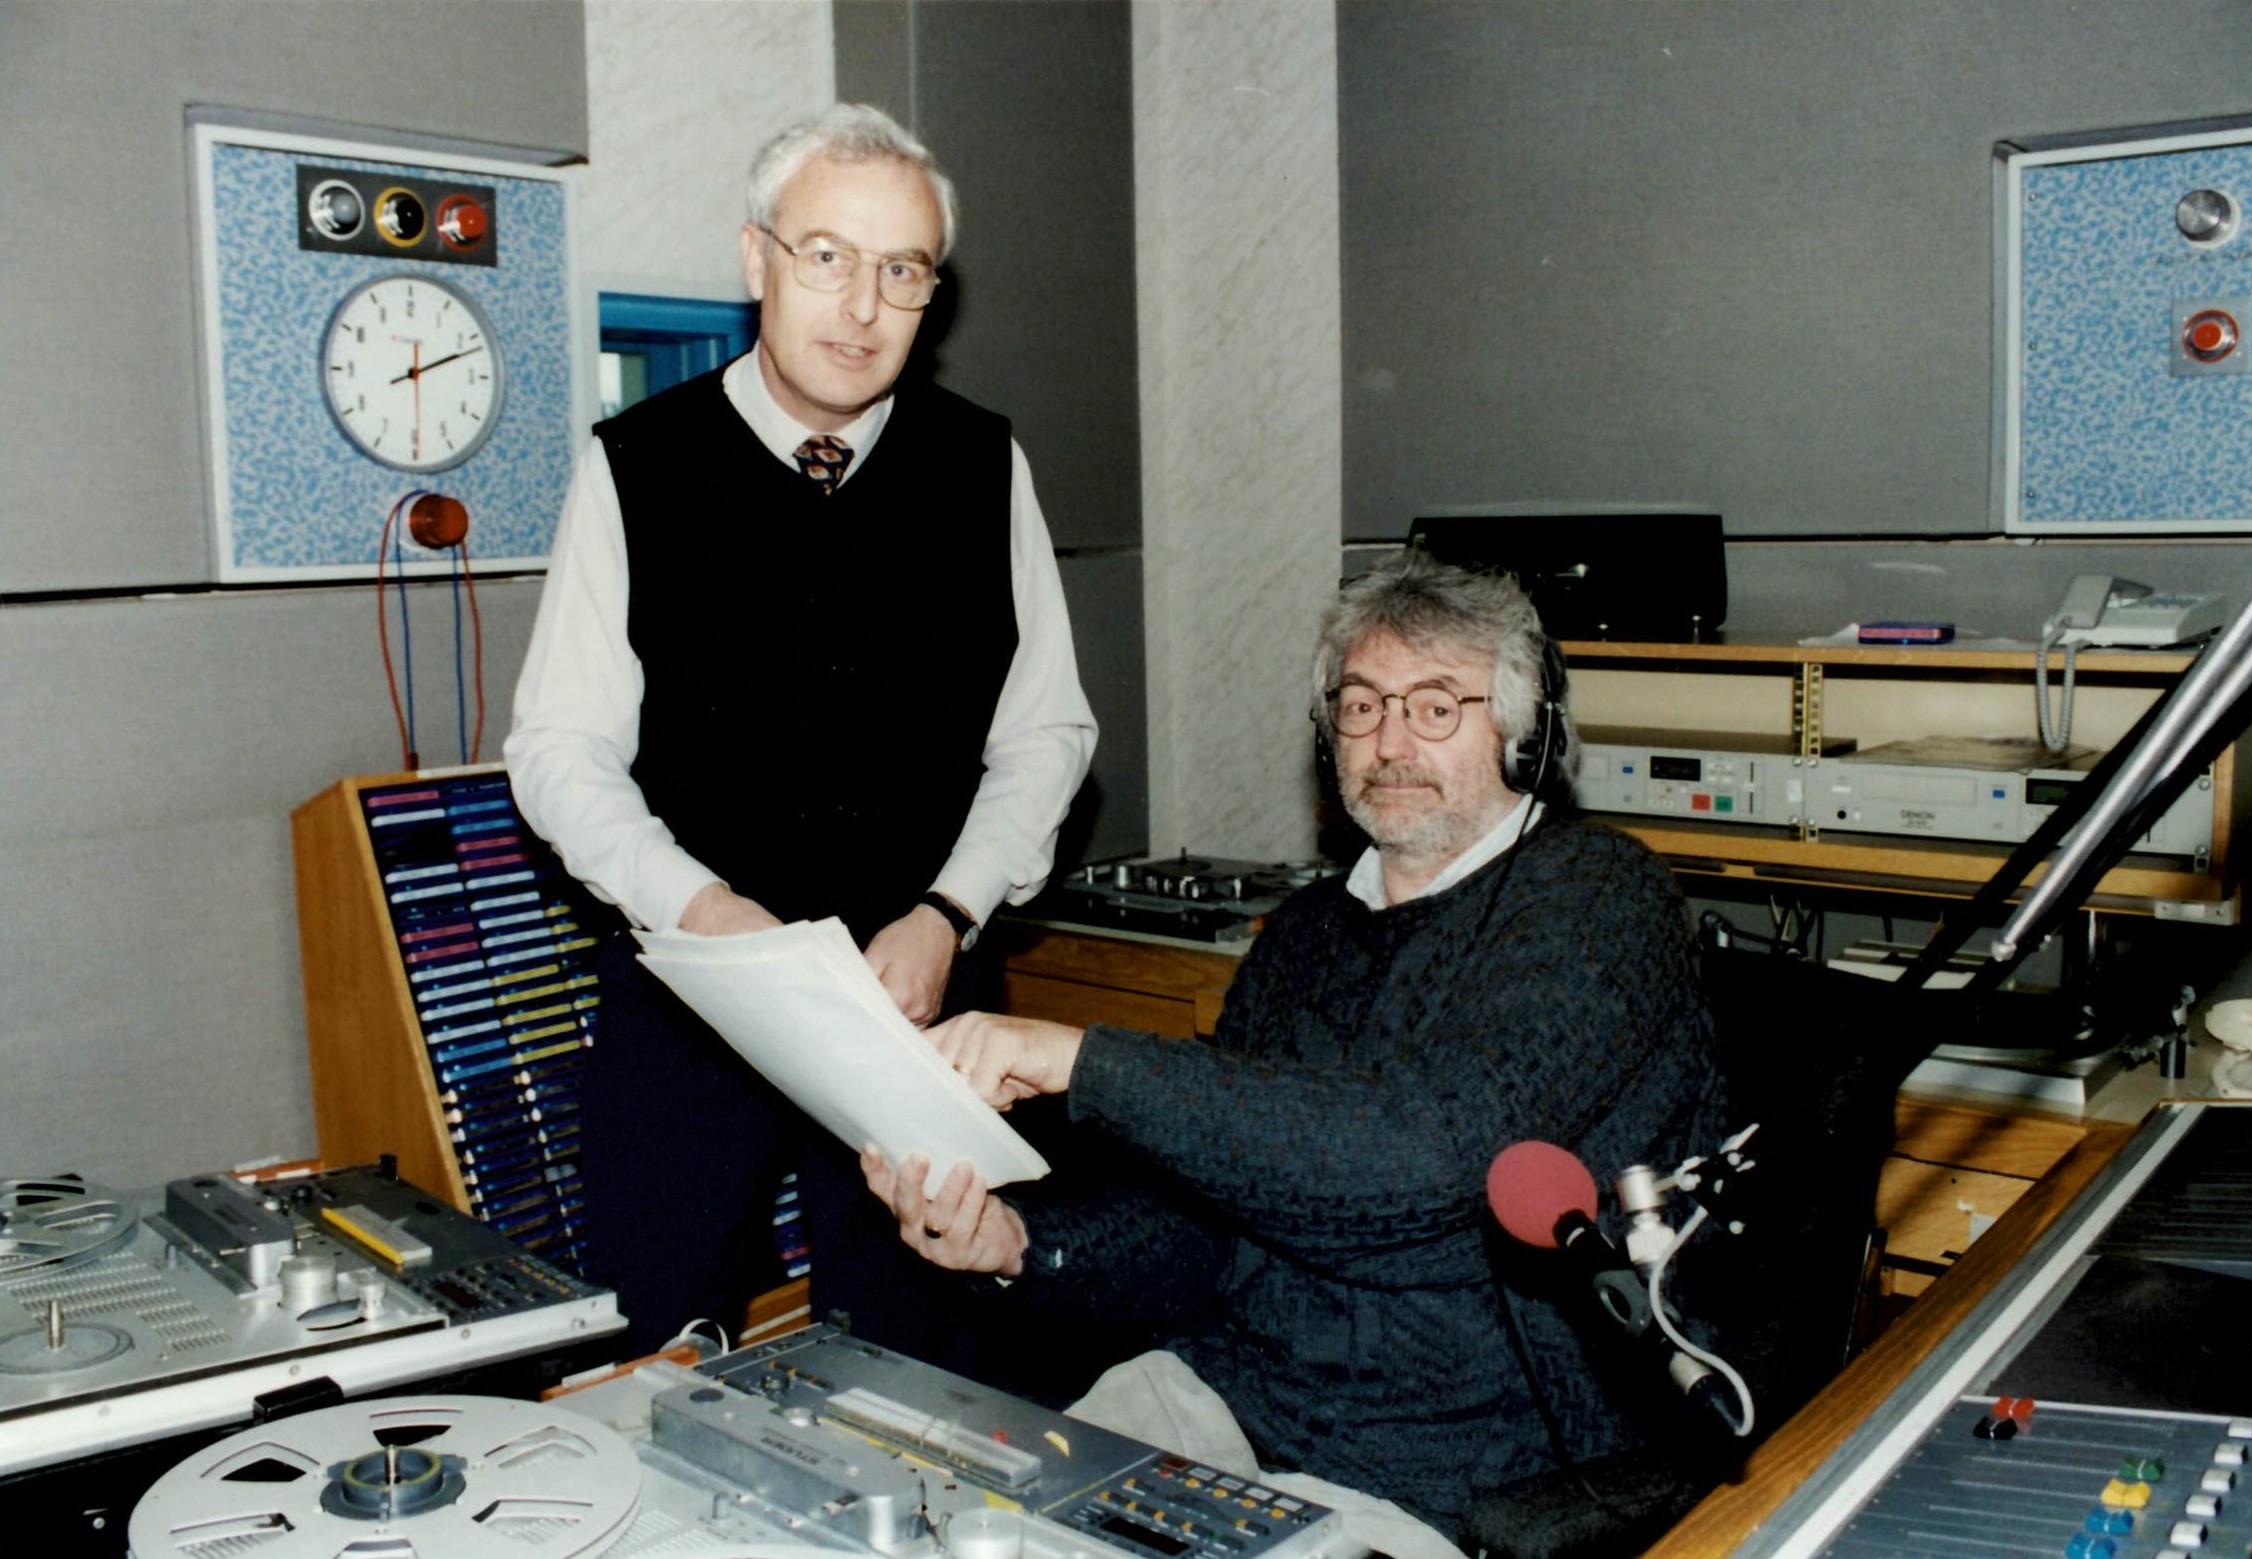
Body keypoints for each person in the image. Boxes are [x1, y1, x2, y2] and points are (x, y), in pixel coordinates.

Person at [862, 552, 1726, 1551]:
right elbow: (1211, 1218)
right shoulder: (1310, 927)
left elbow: (1427, 1158)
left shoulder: (1597, 899)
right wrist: (1017, 1243)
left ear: (1522, 732)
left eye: (1434, 705)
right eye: (1360, 706)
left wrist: (1082, 1059)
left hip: (1455, 1466)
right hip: (1226, 1400)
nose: (1390, 741)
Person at [506, 103, 1097, 1365]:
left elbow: (1045, 733)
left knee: (929, 1380)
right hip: (688, 1005)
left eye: (902, 270)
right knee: (656, 1363)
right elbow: (559, 752)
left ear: (932, 293)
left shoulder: (984, 463)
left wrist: (946, 909)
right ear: (756, 260)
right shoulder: (634, 464)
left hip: (920, 1018)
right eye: (826, 254)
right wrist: (703, 909)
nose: (860, 304)